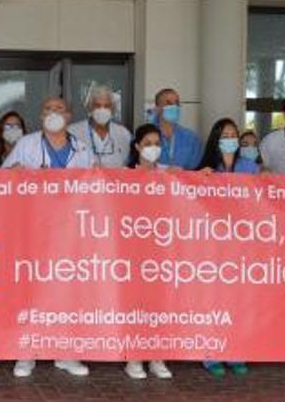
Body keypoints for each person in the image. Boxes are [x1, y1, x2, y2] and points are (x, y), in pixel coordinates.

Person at [3, 97, 92, 377]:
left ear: (69, 115)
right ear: (41, 115)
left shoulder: (82, 148)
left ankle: (65, 353)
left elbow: (94, 187)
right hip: (33, 228)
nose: (53, 113)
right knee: (31, 290)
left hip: (69, 231)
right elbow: (2, 179)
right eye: (48, 109)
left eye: (59, 109)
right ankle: (26, 353)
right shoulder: (26, 144)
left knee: (67, 292)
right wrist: (22, 174)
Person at [196, 119, 254, 379]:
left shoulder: (249, 167)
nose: (230, 138)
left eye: (234, 134)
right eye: (225, 134)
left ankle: (237, 353)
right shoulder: (206, 169)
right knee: (213, 300)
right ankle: (211, 355)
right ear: (216, 139)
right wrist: (198, 180)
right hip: (213, 246)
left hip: (243, 244)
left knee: (239, 301)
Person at [123, 124, 174, 380]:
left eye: (157, 143)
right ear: (137, 147)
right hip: (132, 250)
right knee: (136, 305)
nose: (153, 148)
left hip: (163, 250)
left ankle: (157, 357)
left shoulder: (170, 174)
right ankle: (134, 357)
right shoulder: (123, 175)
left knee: (160, 305)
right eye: (148, 143)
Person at [71, 85, 132, 168]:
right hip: (83, 180)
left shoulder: (123, 133)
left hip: (115, 180)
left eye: (107, 106)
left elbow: (127, 163)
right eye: (97, 105)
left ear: (113, 109)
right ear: (89, 108)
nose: (102, 110)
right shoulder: (73, 132)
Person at [151, 88, 202, 169]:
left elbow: (195, 171)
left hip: (184, 181)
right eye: (168, 103)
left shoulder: (191, 138)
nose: (174, 107)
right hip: (152, 181)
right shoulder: (145, 136)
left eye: (177, 103)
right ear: (157, 108)